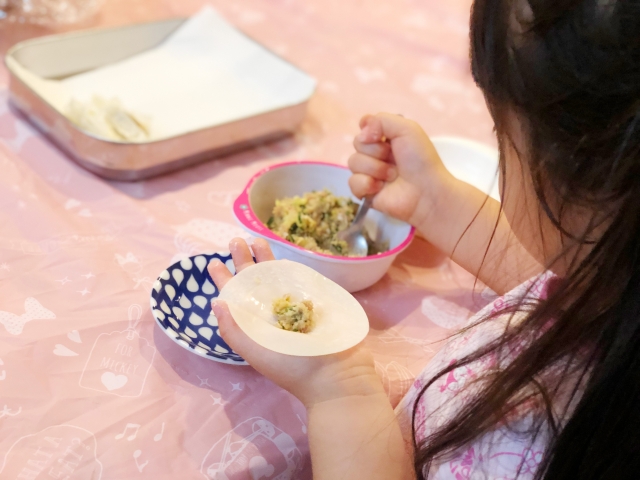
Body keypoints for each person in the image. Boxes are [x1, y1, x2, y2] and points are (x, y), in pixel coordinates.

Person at [208, 0, 640, 477]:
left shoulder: (531, 441)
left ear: (585, 179)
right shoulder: (612, 286)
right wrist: (436, 204)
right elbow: (567, 267)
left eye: (505, 135)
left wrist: (340, 389)